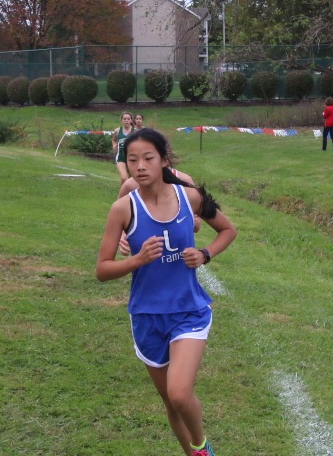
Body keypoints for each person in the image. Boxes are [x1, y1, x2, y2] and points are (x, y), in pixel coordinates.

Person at [96, 128, 237, 456]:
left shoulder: (190, 197)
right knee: (172, 406)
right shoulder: (122, 208)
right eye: (133, 160)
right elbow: (102, 270)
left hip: (189, 311)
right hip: (146, 316)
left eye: (148, 158)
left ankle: (202, 448)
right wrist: (137, 259)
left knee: (179, 392)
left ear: (164, 162)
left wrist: (204, 254)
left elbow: (228, 230)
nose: (140, 166)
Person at [118, 168, 202, 256]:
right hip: (147, 260)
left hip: (180, 258)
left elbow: (197, 226)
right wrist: (122, 237)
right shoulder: (130, 185)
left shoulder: (184, 180)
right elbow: (119, 221)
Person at [112, 111, 134, 183]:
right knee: (124, 178)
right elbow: (114, 140)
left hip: (132, 158)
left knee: (132, 179)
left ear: (131, 120)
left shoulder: (136, 131)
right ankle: (122, 194)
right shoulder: (117, 131)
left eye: (128, 119)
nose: (126, 120)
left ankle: (126, 193)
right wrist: (114, 145)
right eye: (124, 119)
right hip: (121, 157)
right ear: (121, 120)